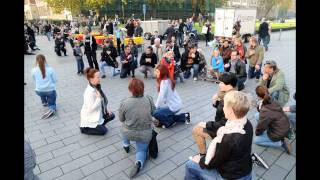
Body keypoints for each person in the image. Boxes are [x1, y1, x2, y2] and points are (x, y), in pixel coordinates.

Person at [186, 91, 253, 180]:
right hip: (245, 170)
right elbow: (223, 127)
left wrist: (200, 160)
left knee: (190, 165)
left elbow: (214, 162)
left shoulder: (229, 138)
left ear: (230, 111)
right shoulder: (246, 124)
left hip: (231, 176)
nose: (222, 108)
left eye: (224, 105)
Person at [192, 72, 237, 155]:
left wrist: (207, 124)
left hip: (226, 130)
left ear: (229, 85)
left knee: (196, 130)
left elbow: (224, 122)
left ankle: (203, 155)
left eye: (221, 83)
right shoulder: (230, 94)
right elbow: (222, 111)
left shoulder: (229, 99)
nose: (219, 84)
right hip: (224, 126)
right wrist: (215, 102)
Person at [119, 78, 156, 178]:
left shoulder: (124, 102)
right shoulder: (149, 99)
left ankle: (126, 144)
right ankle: (138, 163)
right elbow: (154, 112)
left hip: (128, 132)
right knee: (141, 151)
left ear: (130, 89)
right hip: (145, 133)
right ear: (143, 88)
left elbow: (121, 119)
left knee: (124, 126)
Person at [254, 86, 291, 154]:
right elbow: (264, 114)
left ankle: (281, 143)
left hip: (278, 133)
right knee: (256, 116)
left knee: (256, 140)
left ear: (258, 96)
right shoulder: (272, 98)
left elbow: (261, 126)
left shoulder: (265, 111)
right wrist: (260, 106)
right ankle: (279, 135)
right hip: (284, 126)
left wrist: (257, 133)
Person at [80, 68, 115, 135]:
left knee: (112, 115)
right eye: (98, 77)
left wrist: (106, 109)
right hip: (90, 118)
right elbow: (90, 110)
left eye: (99, 77)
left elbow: (102, 102)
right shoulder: (89, 92)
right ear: (91, 79)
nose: (100, 78)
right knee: (103, 131)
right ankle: (84, 129)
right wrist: (98, 99)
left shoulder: (97, 86)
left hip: (98, 114)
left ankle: (100, 125)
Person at [31, 54, 57, 119]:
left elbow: (34, 80)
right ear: (45, 60)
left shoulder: (33, 70)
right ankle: (52, 109)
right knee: (53, 95)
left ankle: (44, 102)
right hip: (50, 90)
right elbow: (55, 80)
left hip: (38, 91)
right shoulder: (50, 69)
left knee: (42, 92)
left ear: (36, 61)